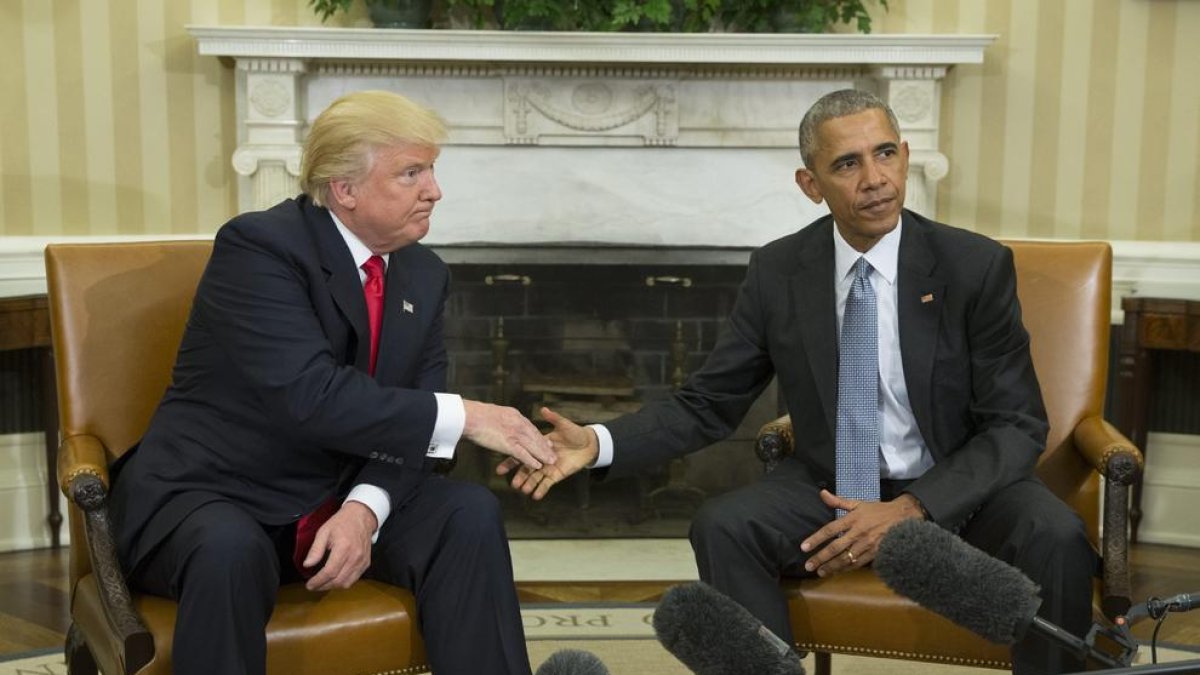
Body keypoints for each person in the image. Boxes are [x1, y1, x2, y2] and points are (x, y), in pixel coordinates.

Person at [502, 89, 1097, 675]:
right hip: (829, 489)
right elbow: (709, 402)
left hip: (960, 486)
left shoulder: (973, 266)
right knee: (724, 525)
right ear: (810, 184)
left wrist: (915, 506)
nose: (875, 178)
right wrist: (599, 442)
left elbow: (1017, 425)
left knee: (1054, 534)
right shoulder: (779, 271)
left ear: (906, 156)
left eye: (885, 153)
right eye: (847, 164)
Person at [108, 90, 555, 675]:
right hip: (217, 491)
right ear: (345, 189)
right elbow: (311, 396)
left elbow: (409, 419)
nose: (435, 190)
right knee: (228, 550)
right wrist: (468, 416)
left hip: (337, 495)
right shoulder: (260, 248)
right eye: (412, 172)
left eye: (432, 170)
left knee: (466, 513)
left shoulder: (424, 272)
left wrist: (364, 510)